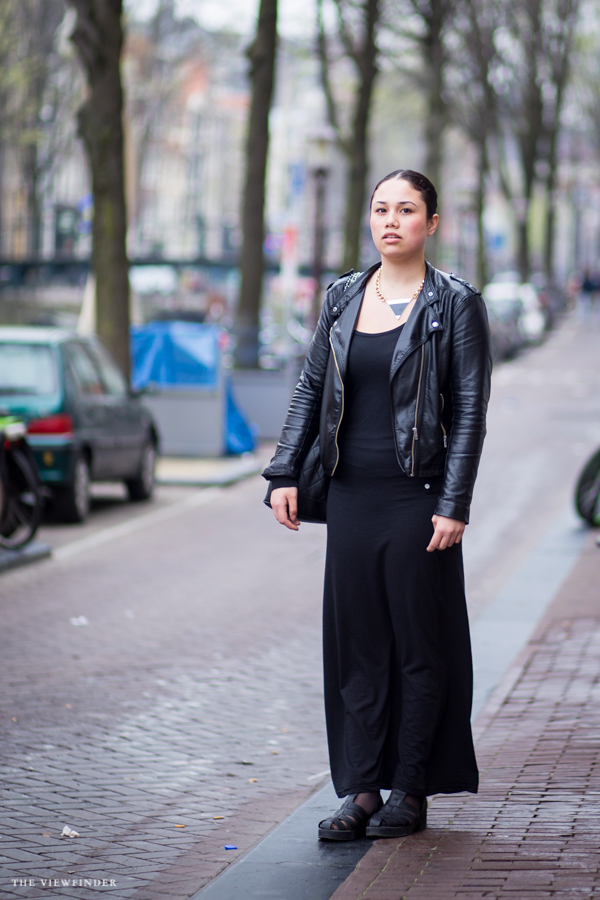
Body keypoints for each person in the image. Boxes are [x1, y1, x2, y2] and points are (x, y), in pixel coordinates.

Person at [262, 169, 492, 841]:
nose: (391, 220)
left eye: (407, 209)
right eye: (382, 208)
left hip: (417, 498)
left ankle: (411, 788)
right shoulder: (340, 297)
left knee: (419, 647)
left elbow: (471, 412)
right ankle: (362, 790)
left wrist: (455, 502)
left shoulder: (454, 304)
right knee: (357, 646)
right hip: (352, 498)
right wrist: (283, 472)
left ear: (432, 224)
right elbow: (310, 387)